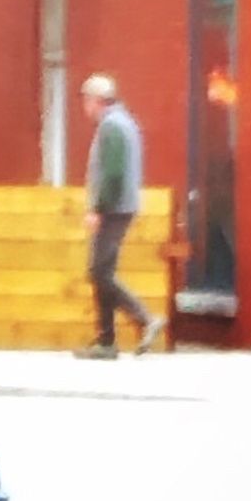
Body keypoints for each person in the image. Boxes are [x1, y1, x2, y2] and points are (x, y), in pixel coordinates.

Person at [78, 74, 165, 359]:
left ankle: (145, 319)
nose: (85, 106)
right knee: (103, 272)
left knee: (98, 272)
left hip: (113, 210)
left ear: (96, 100)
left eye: (86, 100)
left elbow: (113, 174)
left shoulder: (111, 127)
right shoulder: (124, 122)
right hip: (122, 207)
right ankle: (106, 341)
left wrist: (98, 209)